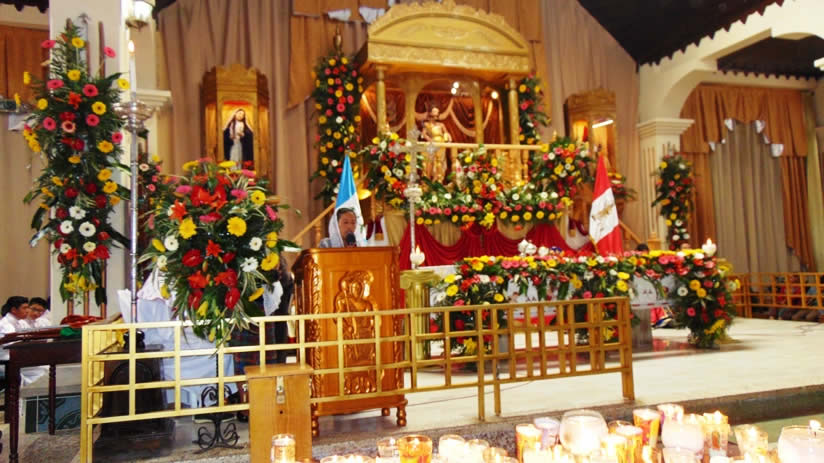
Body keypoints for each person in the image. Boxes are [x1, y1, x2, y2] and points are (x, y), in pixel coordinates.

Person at [420, 107, 451, 183]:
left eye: (437, 115)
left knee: (440, 162)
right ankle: (429, 180)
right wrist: (430, 140)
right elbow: (423, 134)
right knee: (431, 162)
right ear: (430, 114)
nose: (435, 117)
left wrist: (448, 138)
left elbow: (446, 133)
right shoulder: (427, 124)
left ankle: (438, 181)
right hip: (432, 145)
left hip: (441, 145)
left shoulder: (441, 125)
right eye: (433, 115)